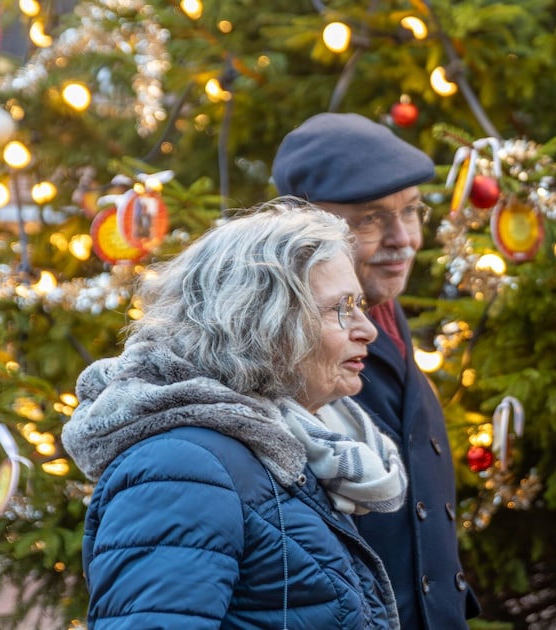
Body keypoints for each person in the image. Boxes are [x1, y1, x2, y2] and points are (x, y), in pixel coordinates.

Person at [62, 199, 408, 628]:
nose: (367, 329)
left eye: (360, 305)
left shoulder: (284, 444)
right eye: (341, 308)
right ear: (264, 320)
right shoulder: (181, 468)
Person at [272, 112, 480, 629]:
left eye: (411, 212)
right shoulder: (285, 348)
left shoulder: (382, 310)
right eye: (370, 219)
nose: (403, 238)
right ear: (303, 225)